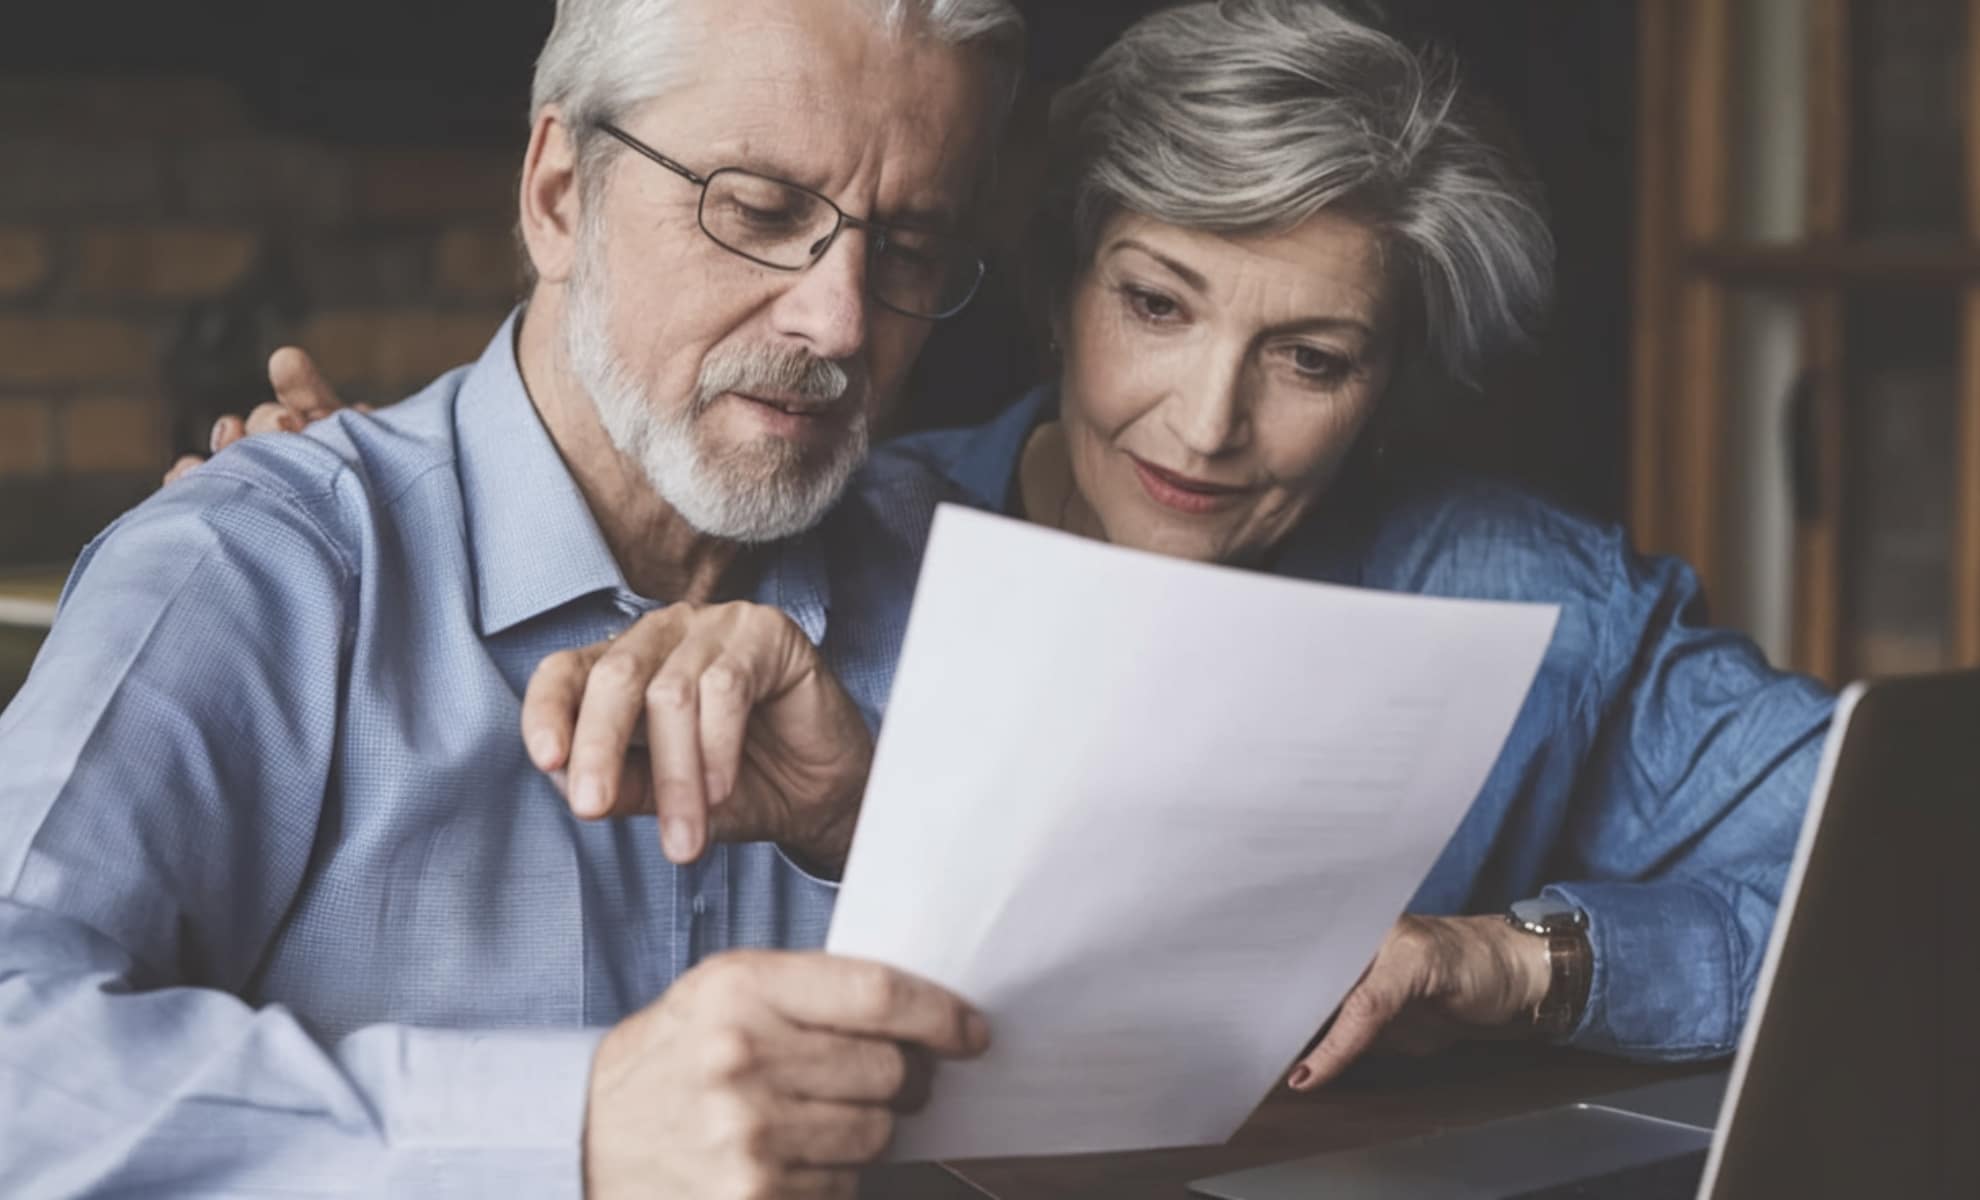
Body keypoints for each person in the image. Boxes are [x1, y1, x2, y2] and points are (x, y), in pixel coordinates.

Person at [312, 0, 1828, 1093]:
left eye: (1312, 359)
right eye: (1156, 306)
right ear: (1058, 287)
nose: (1206, 421)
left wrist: (1513, 965)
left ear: (1387, 387)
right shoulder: (825, 534)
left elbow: (1903, 904)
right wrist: (344, 502)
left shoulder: (1530, 600)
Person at [0, 1, 1027, 1195]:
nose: (839, 321)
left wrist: (878, 833)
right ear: (558, 196)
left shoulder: (978, 582)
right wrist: (573, 1130)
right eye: (759, 211)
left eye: (906, 250)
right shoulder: (256, 566)